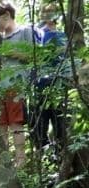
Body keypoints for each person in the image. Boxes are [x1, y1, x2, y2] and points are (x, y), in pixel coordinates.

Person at [0, 3, 37, 167]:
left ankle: (21, 160)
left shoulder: (24, 31)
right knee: (1, 125)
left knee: (15, 123)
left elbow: (35, 56)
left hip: (17, 85)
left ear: (6, 16)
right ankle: (5, 162)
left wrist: (10, 52)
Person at [31, 2, 70, 148]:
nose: (48, 15)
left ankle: (60, 155)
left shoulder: (63, 35)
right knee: (39, 124)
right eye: (45, 12)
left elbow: (66, 58)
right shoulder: (37, 34)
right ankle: (42, 153)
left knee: (59, 122)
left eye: (52, 11)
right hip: (40, 85)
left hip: (58, 85)